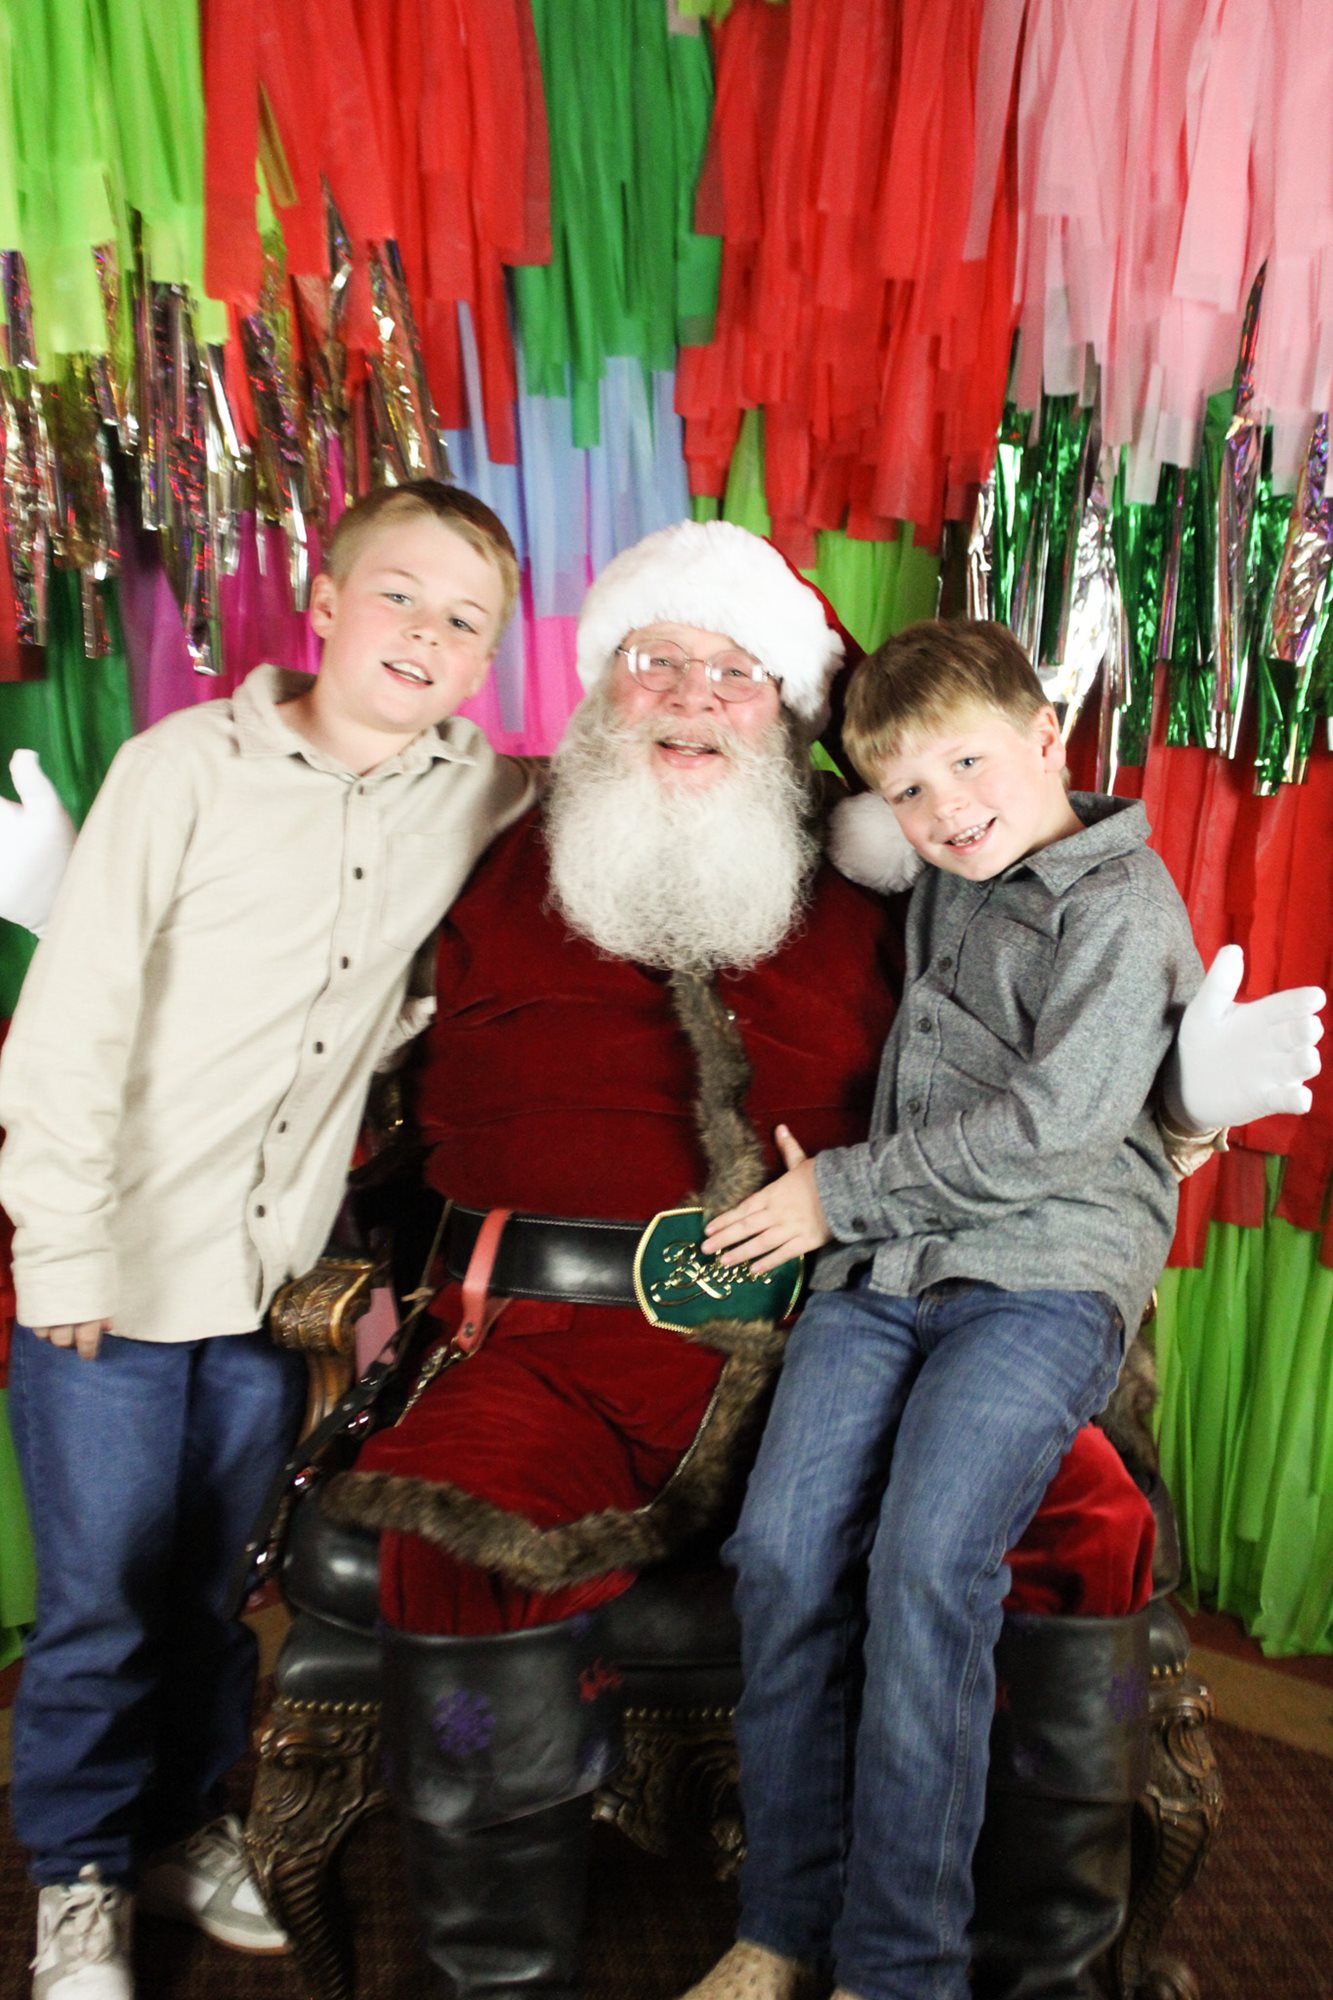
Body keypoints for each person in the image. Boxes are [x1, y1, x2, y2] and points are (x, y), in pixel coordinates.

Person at [316, 522, 1323, 1999]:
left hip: (871, 1304)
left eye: (734, 670)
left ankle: (1029, 1963)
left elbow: (1055, 1081)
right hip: (560, 1347)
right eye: (654, 659)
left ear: (790, 709)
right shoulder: (477, 844)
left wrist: (1186, 1106)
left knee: (1065, 1520)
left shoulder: (903, 865)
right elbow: (321, 1010)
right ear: (599, 683)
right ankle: (531, 1973)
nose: (689, 694)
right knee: (458, 1535)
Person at [0, 479, 535, 2000]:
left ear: (488, 656)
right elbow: (70, 1025)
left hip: (267, 1293)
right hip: (115, 1277)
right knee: (101, 1605)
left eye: (464, 620)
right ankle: (80, 1880)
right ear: (325, 601)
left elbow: (621, 791)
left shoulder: (478, 792)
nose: (424, 634)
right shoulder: (183, 769)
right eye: (399, 596)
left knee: (214, 1595)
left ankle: (181, 1827)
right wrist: (64, 1252)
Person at [681, 616, 1210, 2000]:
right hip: (882, 1275)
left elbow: (1053, 1131)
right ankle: (782, 1924)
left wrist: (835, 1194)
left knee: (926, 1566)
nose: (946, 810)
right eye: (906, 790)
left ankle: (897, 1966)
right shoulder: (943, 872)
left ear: (1047, 737)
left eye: (969, 764)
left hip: (1039, 1281)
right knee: (781, 1552)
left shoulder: (1120, 904)